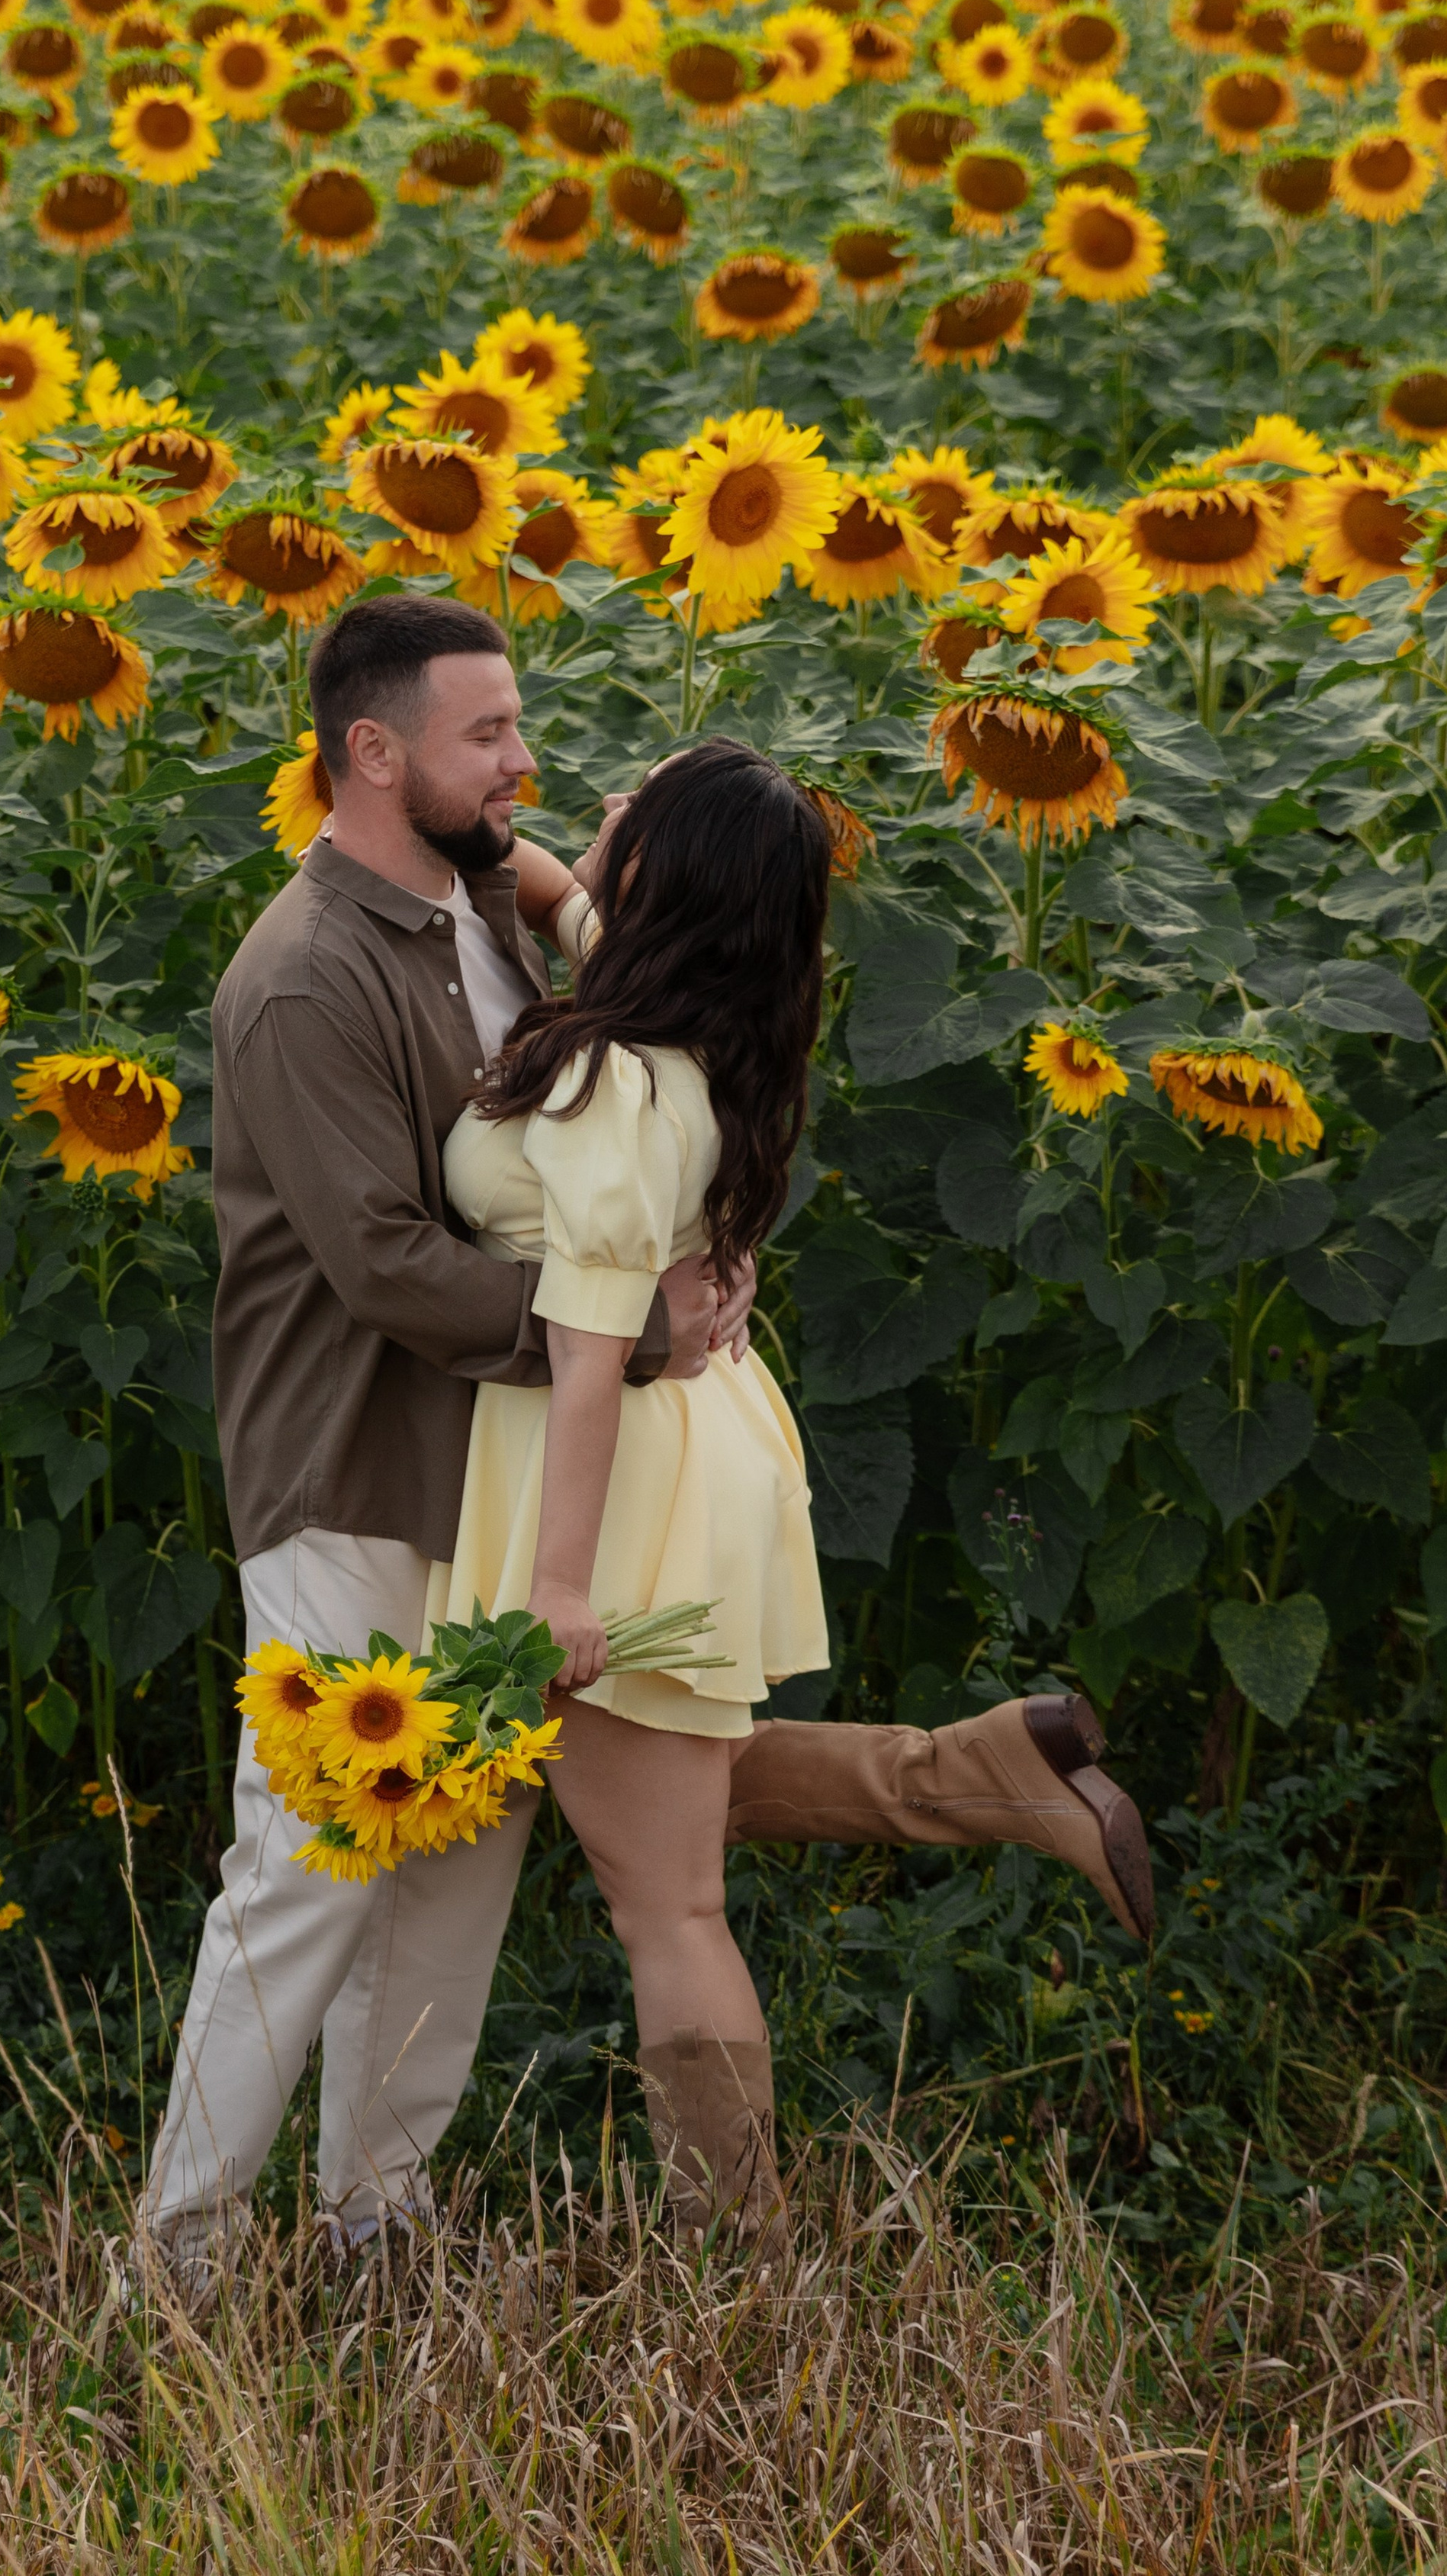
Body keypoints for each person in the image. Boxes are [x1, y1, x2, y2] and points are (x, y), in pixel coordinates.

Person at [432, 738, 1155, 2242]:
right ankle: (991, 1775)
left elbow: (582, 1359)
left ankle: (736, 2254)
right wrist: (480, 822)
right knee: (665, 1797)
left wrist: (557, 1588)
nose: (598, 817)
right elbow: (561, 887)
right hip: (694, 1447)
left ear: (671, 885)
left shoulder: (619, 1080)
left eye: (628, 811)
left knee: (665, 1900)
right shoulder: (697, 1022)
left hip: (617, 1470)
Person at [140, 593, 741, 2295]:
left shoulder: (477, 894)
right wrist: (624, 1344)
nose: (522, 760)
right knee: (313, 1862)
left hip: (481, 1462)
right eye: (487, 734)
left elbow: (558, 896)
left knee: (460, 1848)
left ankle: (375, 2228)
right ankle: (174, 2259)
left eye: (517, 728)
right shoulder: (303, 978)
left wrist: (557, 875)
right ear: (372, 754)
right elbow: (388, 1266)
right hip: (344, 1462)